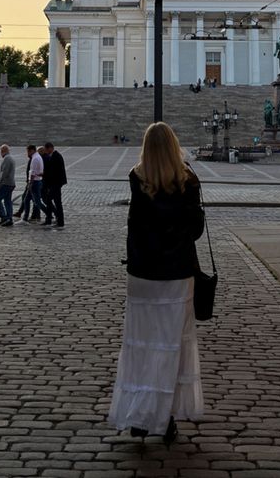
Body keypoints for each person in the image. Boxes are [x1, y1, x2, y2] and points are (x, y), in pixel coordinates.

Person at [108, 122, 205, 446]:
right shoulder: (187, 179)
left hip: (144, 275)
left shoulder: (138, 178)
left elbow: (134, 226)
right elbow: (194, 229)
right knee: (171, 347)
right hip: (176, 274)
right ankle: (164, 418)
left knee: (141, 344)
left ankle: (140, 414)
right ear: (175, 145)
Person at [41, 142, 67, 227]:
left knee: (53, 201)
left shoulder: (56, 156)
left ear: (50, 148)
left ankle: (55, 221)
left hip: (56, 183)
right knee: (54, 201)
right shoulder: (53, 156)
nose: (45, 151)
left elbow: (54, 172)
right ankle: (54, 220)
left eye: (45, 149)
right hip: (55, 183)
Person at [0, 144, 16, 227]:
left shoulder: (6, 159)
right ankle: (9, 218)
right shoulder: (11, 158)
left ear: (3, 151)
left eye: (1, 151)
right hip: (11, 183)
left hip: (5, 183)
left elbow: (4, 173)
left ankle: (4, 217)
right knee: (7, 201)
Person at [14, 145, 37, 220]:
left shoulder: (34, 159)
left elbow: (33, 172)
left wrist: (30, 182)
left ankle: (27, 215)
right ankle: (24, 214)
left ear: (32, 150)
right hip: (31, 182)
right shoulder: (32, 158)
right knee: (28, 198)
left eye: (28, 151)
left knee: (32, 199)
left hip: (32, 182)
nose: (27, 153)